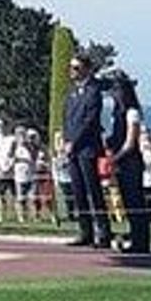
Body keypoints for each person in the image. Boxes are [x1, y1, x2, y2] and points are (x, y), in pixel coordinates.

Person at [61, 53, 112, 249]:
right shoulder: (72, 93)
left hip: (87, 149)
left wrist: (74, 141)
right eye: (71, 67)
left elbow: (89, 121)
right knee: (78, 192)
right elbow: (66, 118)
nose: (72, 72)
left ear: (86, 69)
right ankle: (85, 232)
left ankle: (104, 232)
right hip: (73, 150)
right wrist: (65, 140)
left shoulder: (93, 92)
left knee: (94, 192)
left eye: (76, 68)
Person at [110, 74, 151, 254]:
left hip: (131, 162)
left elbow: (130, 143)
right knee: (128, 203)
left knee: (136, 202)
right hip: (122, 162)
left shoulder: (132, 112)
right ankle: (135, 238)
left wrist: (115, 157)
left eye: (118, 90)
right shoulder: (117, 114)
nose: (115, 94)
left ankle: (141, 241)